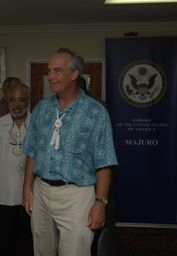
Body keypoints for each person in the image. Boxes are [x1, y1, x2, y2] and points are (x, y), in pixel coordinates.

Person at [22, 48, 118, 256]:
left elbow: (105, 161)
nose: (51, 76)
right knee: (41, 250)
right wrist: (27, 188)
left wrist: (100, 203)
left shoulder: (96, 113)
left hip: (76, 195)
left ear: (74, 74)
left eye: (57, 70)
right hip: (41, 191)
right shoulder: (41, 108)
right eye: (49, 71)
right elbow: (32, 150)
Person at [0, 83, 34, 256]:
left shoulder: (36, 123)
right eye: (12, 100)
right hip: (4, 190)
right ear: (7, 101)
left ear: (27, 101)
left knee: (29, 236)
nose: (17, 104)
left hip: (31, 191)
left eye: (21, 100)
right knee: (5, 236)